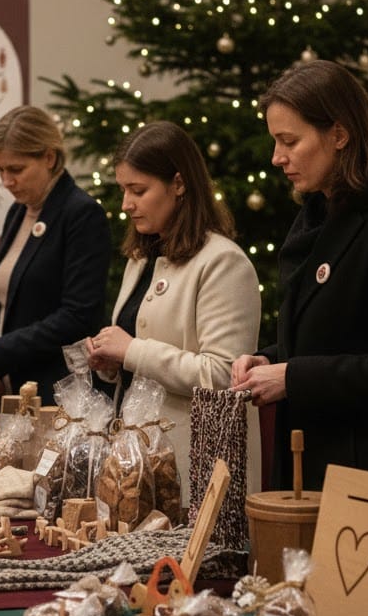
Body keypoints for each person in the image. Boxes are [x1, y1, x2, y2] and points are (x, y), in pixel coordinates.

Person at [231, 59, 368, 609]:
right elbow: (327, 338)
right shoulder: (314, 219)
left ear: (340, 134)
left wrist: (294, 377)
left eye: (289, 141)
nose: (277, 158)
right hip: (314, 468)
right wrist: (268, 359)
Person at [86, 120, 262, 493]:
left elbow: (223, 374)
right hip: (135, 464)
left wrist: (131, 350)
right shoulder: (141, 256)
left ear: (179, 184)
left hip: (193, 467)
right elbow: (138, 362)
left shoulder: (222, 262)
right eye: (123, 190)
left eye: (138, 190)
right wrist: (112, 364)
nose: (126, 204)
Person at [0, 105, 110, 404]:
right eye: (0, 170)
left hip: (57, 392)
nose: (7, 181)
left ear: (49, 157)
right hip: (15, 386)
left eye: (16, 169)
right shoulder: (18, 211)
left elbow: (77, 316)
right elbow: (3, 306)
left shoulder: (82, 213)